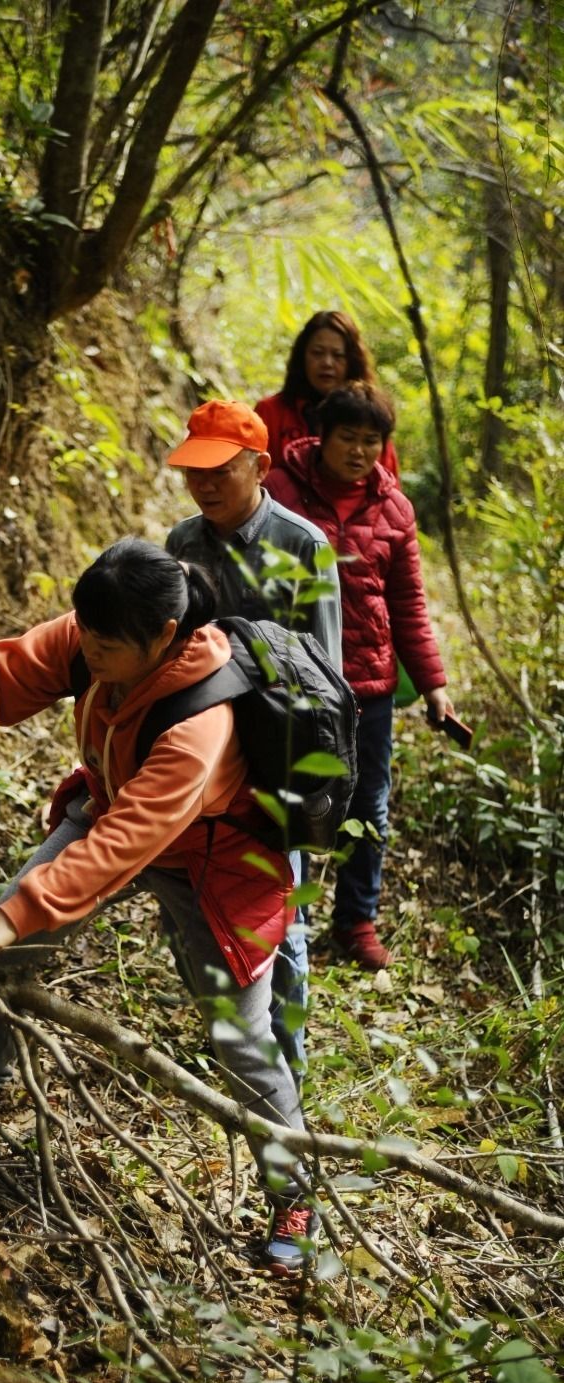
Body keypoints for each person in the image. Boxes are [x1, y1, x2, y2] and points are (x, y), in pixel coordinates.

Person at [0, 539, 320, 1274]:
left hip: (214, 861)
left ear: (165, 635)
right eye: (84, 633)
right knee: (9, 945)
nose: (88, 651)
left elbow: (121, 847)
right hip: (113, 801)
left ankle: (294, 1195)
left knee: (240, 1037)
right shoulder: (94, 634)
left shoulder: (200, 724)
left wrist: (10, 916)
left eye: (108, 644)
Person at [164, 398, 343, 1078]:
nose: (205, 485)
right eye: (195, 472)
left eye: (221, 471)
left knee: (279, 919)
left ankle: (285, 1072)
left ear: (261, 467)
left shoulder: (303, 546)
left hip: (275, 759)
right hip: (200, 758)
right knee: (194, 905)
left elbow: (325, 675)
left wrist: (313, 786)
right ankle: (232, 1043)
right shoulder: (183, 543)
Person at [265, 381, 454, 970]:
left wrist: (434, 685)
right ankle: (282, 915)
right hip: (292, 677)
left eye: (372, 441)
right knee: (286, 796)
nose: (359, 451)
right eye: (349, 437)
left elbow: (408, 604)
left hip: (367, 686)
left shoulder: (395, 509)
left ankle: (356, 920)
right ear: (322, 435)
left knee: (367, 804)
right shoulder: (281, 490)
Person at [256, 310, 400, 478]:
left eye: (338, 355)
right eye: (317, 353)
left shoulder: (372, 417)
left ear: (352, 361)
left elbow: (388, 484)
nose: (327, 363)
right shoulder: (271, 412)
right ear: (302, 356)